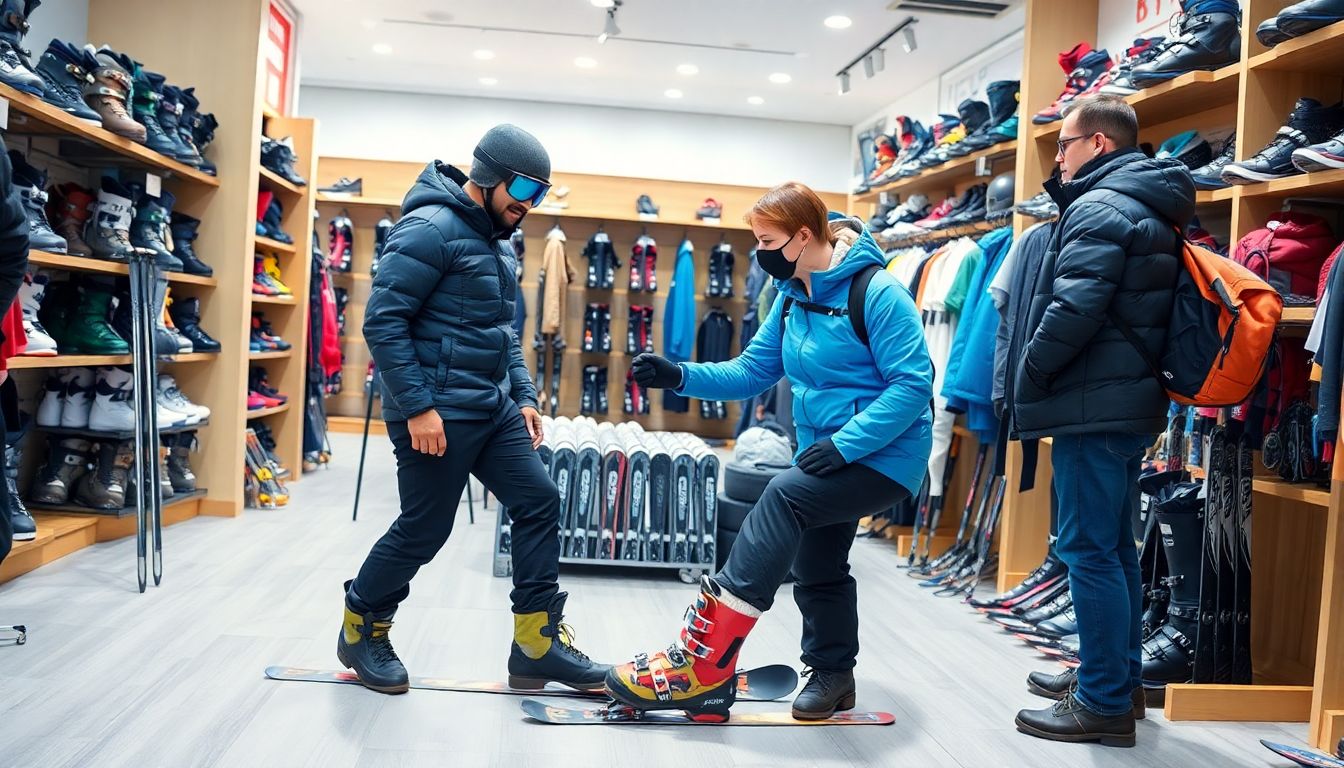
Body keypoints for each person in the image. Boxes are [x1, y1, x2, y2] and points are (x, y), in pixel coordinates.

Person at [612, 182, 933, 722]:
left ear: (803, 237)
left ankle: (704, 662)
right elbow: (753, 371)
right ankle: (833, 675)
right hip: (826, 453)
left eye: (767, 240)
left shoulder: (878, 293)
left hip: (885, 457)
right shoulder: (792, 297)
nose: (759, 253)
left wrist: (844, 444)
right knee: (818, 563)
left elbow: (912, 385)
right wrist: (679, 375)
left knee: (783, 497)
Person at [341, 125, 606, 694]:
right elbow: (382, 323)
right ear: (488, 177)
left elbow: (502, 330)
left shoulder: (495, 237)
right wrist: (416, 407)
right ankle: (361, 626)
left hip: (491, 407)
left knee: (538, 501)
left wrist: (524, 396)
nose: (529, 206)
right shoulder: (429, 228)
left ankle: (536, 646)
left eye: (540, 194)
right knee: (426, 528)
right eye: (525, 190)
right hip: (435, 412)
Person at [1009, 96, 1193, 747]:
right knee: (1111, 550)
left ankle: (1105, 702)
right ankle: (1111, 678)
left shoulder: (1099, 207)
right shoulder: (1145, 207)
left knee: (1089, 550)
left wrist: (1028, 375)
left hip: (1093, 404)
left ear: (1100, 145)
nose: (1057, 158)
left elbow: (1074, 308)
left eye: (1065, 145)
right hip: (1122, 403)